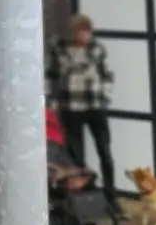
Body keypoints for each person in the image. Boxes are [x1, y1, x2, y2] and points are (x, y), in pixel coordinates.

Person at [46, 14, 118, 210]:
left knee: (105, 152)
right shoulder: (60, 49)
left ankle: (111, 197)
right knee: (76, 156)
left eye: (87, 32)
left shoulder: (97, 49)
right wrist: (52, 101)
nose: (84, 36)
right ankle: (81, 199)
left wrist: (105, 97)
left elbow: (107, 75)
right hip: (71, 107)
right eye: (81, 32)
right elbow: (52, 76)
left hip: (94, 106)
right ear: (73, 32)